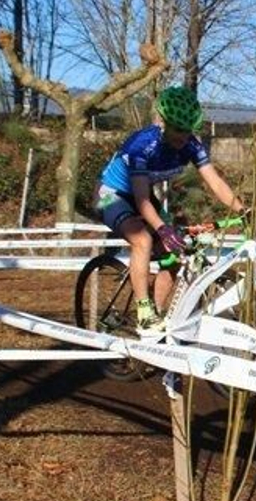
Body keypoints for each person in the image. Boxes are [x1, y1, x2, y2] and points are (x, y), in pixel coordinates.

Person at [93, 84, 245, 330]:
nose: (182, 137)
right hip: (110, 194)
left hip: (141, 196)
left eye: (188, 131)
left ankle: (156, 315)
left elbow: (215, 182)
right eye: (177, 129)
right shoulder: (142, 145)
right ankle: (143, 309)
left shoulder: (191, 146)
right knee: (142, 239)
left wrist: (242, 211)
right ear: (163, 122)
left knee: (174, 257)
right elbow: (142, 200)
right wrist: (162, 228)